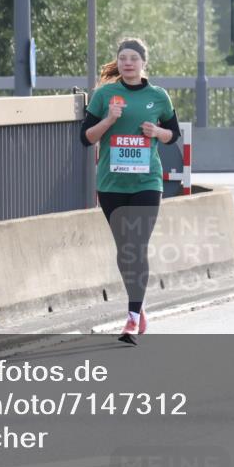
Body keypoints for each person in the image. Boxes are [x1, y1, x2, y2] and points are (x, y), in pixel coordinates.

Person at [79, 38, 181, 345]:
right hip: (111, 184)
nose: (127, 63)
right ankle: (138, 306)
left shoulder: (158, 96)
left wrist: (157, 132)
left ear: (143, 63)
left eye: (133, 58)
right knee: (125, 251)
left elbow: (172, 135)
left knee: (136, 246)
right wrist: (109, 119)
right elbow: (86, 138)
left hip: (147, 182)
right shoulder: (104, 95)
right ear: (118, 62)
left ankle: (133, 316)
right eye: (122, 58)